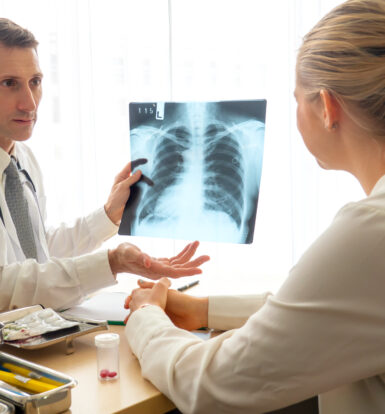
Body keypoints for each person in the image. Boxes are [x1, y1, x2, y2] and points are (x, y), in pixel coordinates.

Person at [124, 0, 385, 413]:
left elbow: (210, 386)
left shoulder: (372, 230)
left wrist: (145, 318)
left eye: (297, 99)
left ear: (328, 107)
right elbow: (329, 310)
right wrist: (202, 309)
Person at [0, 18, 209, 312]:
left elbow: (36, 253)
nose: (31, 104)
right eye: (10, 84)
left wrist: (109, 215)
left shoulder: (23, 160)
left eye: (35, 82)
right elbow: (5, 286)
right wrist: (112, 262)